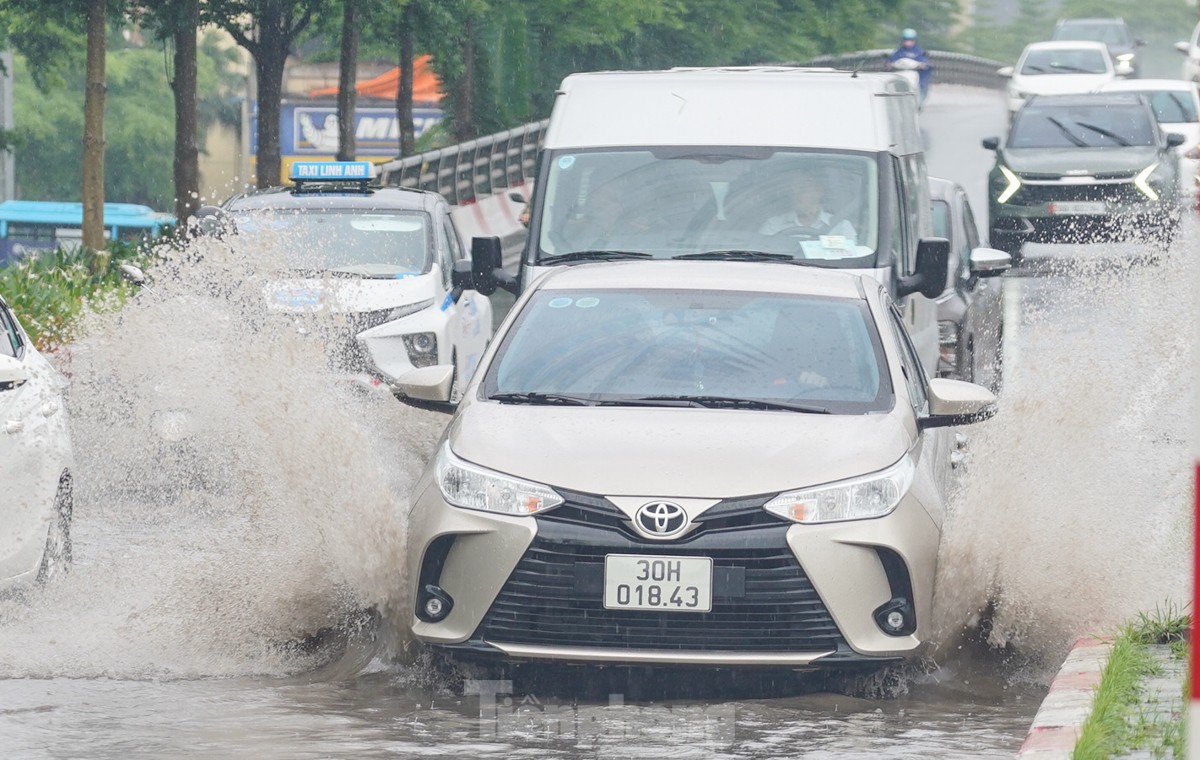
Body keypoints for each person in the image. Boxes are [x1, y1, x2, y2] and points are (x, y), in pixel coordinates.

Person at [759, 170, 857, 241]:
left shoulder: (841, 227)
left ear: (819, 192)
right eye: (792, 190)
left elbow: (851, 259)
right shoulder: (773, 225)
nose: (795, 194)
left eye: (802, 189)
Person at [887, 28, 933, 106]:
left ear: (914, 40)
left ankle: (919, 102)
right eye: (906, 40)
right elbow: (892, 60)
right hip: (901, 72)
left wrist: (923, 65)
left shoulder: (919, 51)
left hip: (917, 73)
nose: (908, 42)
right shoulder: (899, 51)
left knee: (923, 84)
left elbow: (924, 61)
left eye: (910, 40)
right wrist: (890, 64)